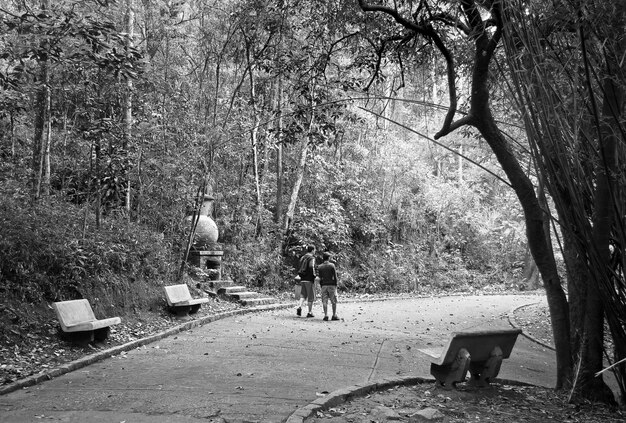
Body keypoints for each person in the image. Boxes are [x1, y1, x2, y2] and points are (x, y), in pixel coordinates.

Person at [317, 252, 339, 321]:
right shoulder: (332, 265)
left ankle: (326, 315)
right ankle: (334, 315)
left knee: (324, 301)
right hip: (332, 285)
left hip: (324, 285)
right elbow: (335, 276)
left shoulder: (320, 267)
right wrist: (336, 284)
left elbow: (320, 277)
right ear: (328, 258)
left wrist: (321, 285)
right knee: (333, 301)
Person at [296, 245, 317, 318]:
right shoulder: (311, 258)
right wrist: (314, 276)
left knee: (303, 294)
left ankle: (299, 307)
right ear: (312, 250)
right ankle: (309, 312)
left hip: (302, 278)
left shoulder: (303, 257)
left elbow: (299, 267)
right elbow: (311, 267)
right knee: (310, 296)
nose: (315, 251)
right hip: (309, 279)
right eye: (314, 250)